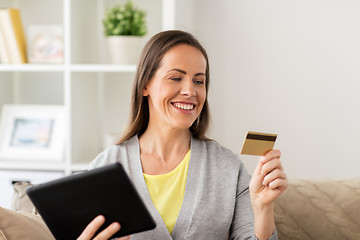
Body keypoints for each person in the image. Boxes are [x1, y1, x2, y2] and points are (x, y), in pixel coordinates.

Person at [77, 30, 288, 240]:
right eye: (176, 78)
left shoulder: (227, 167)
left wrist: (262, 209)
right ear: (145, 85)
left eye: (199, 81)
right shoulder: (104, 168)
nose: (190, 91)